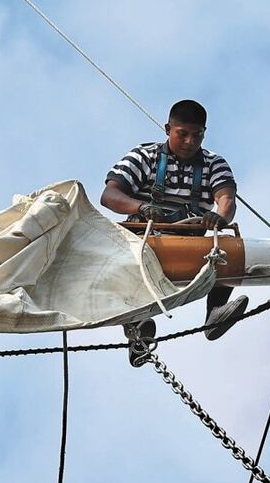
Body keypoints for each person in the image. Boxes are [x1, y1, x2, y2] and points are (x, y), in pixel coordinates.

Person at [100, 99, 248, 343]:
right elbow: (109, 195)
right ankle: (138, 329)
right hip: (143, 239)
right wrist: (142, 207)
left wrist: (219, 217)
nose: (190, 142)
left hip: (188, 245)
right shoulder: (144, 156)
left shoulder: (214, 164)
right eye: (182, 134)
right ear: (168, 129)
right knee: (128, 258)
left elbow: (226, 199)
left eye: (197, 135)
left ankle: (215, 315)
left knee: (230, 248)